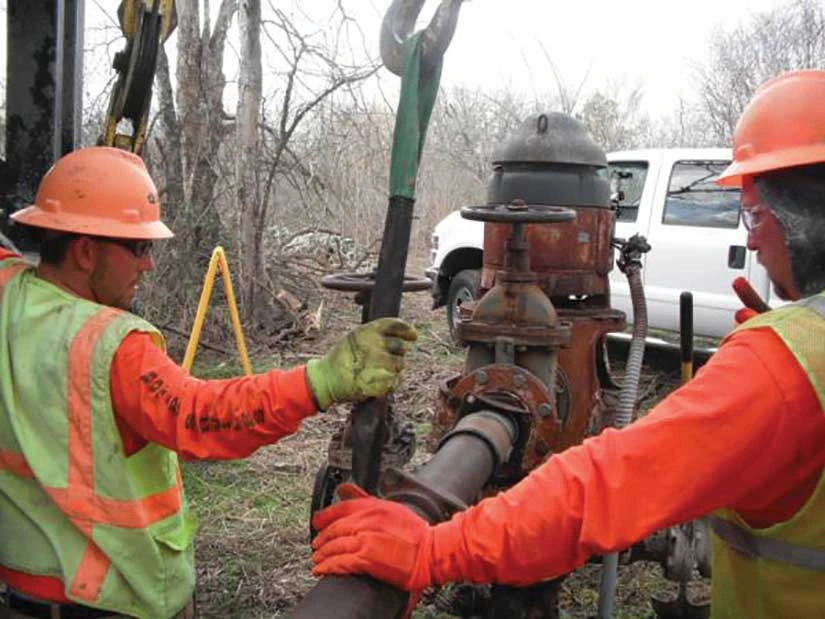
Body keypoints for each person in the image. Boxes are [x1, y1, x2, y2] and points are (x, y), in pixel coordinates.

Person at [311, 69, 825, 618]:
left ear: (806, 218)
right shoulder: (798, 355)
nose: (748, 235)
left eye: (754, 212)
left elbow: (613, 483)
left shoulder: (788, 365)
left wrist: (435, 547)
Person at [0, 146, 417, 619]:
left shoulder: (8, 291)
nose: (148, 265)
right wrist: (321, 380)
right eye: (139, 247)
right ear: (86, 250)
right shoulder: (112, 345)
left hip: (22, 593)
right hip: (110, 599)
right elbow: (202, 416)